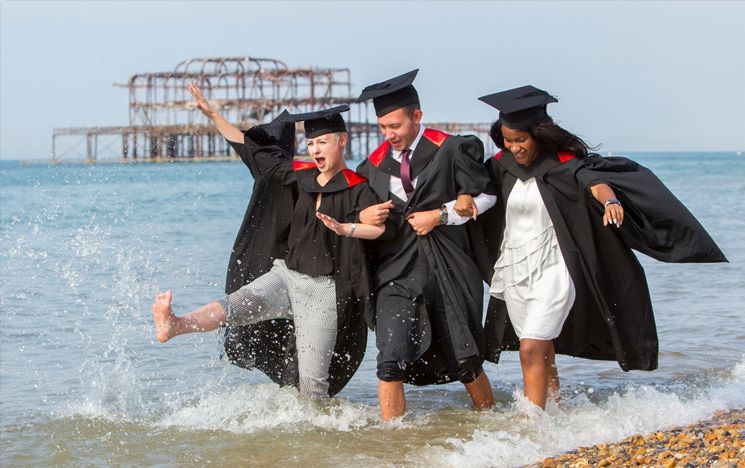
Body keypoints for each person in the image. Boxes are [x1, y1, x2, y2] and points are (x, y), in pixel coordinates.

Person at [477, 85, 728, 409]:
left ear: (538, 134)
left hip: (555, 268)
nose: (514, 147)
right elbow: (479, 196)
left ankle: (531, 424)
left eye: (520, 140)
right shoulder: (501, 166)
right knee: (541, 347)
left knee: (529, 348)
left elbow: (595, 183)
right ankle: (554, 409)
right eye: (508, 141)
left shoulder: (564, 165)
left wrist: (610, 201)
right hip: (516, 270)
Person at [152, 85, 384, 398]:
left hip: (323, 293)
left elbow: (378, 230)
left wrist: (349, 229)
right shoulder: (299, 174)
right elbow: (250, 149)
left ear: (341, 141)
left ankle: (316, 445)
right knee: (231, 307)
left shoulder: (360, 190)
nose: (316, 149)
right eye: (311, 142)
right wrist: (213, 115)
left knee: (313, 390)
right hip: (285, 277)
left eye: (323, 142)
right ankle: (176, 324)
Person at [354, 70, 497, 420]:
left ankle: (493, 423)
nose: (389, 135)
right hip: (396, 270)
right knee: (390, 360)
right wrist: (364, 214)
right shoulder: (372, 166)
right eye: (383, 127)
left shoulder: (450, 149)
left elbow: (487, 196)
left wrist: (441, 215)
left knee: (466, 359)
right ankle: (393, 441)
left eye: (396, 126)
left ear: (417, 116)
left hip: (448, 266)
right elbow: (359, 214)